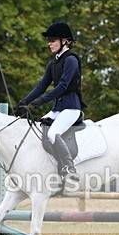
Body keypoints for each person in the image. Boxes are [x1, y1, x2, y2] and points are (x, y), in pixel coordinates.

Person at [14, 21, 87, 183]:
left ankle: (69, 168)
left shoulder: (71, 60)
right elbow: (42, 86)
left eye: (53, 40)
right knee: (40, 129)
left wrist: (40, 102)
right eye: (49, 40)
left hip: (71, 108)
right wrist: (25, 101)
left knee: (54, 133)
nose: (49, 43)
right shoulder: (53, 62)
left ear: (64, 41)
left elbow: (62, 86)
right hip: (58, 108)